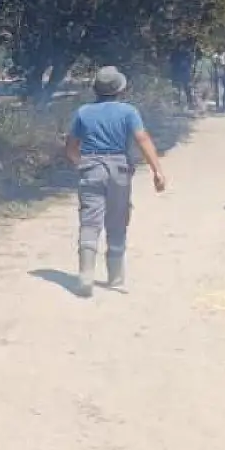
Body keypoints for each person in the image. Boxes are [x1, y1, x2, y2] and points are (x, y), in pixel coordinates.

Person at [64, 66, 168, 293]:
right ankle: (115, 277)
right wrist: (157, 171)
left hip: (91, 168)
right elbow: (142, 139)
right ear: (120, 89)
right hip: (119, 170)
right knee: (118, 222)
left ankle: (86, 276)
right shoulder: (129, 112)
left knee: (89, 222)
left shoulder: (83, 112)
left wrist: (81, 165)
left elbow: (71, 148)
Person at [169, 45, 196, 111]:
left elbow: (191, 63)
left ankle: (190, 104)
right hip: (178, 74)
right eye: (181, 46)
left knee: (187, 89)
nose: (182, 47)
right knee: (177, 90)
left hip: (183, 74)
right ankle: (177, 104)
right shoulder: (175, 54)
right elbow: (171, 62)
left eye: (183, 46)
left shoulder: (186, 54)